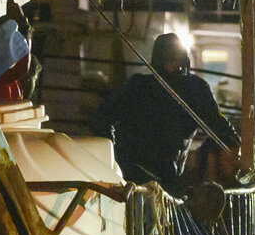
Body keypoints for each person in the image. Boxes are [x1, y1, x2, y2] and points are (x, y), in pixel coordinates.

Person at [100, 32, 238, 193]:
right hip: (131, 168)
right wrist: (111, 154)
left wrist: (237, 143)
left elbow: (218, 126)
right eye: (168, 58)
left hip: (167, 175)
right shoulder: (139, 86)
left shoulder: (195, 90)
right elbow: (104, 117)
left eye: (175, 57)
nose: (172, 64)